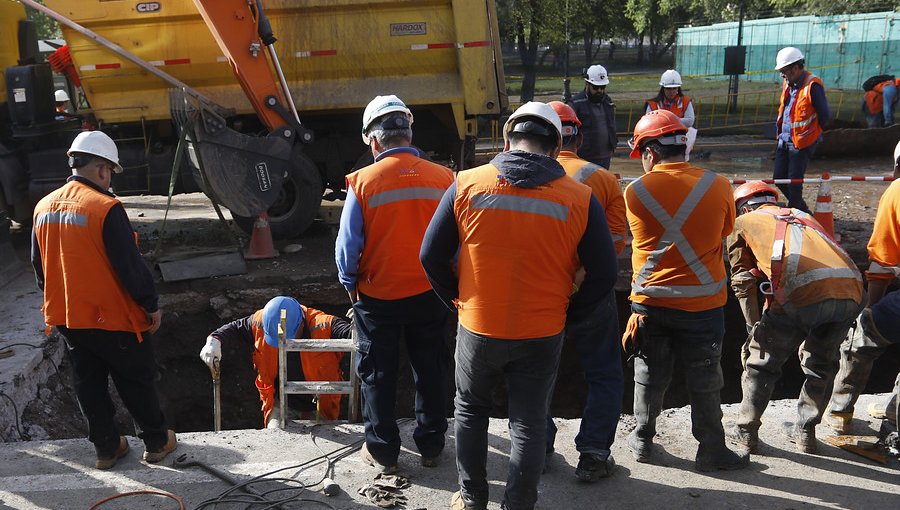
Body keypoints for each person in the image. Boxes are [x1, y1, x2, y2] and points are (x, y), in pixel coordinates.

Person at [420, 102, 617, 510]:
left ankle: (472, 497)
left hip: (478, 326)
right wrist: (572, 313)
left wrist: (457, 301)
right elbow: (603, 272)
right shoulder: (580, 197)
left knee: (471, 412)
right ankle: (519, 503)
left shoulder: (467, 183)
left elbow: (430, 255)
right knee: (528, 420)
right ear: (554, 146)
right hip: (542, 331)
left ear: (508, 140)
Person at [31, 130, 175, 470]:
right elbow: (130, 268)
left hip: (68, 318)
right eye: (109, 170)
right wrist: (150, 305)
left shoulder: (43, 207)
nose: (109, 177)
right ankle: (156, 442)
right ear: (101, 169)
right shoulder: (105, 207)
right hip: (112, 318)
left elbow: (40, 269)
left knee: (88, 382)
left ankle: (107, 448)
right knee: (135, 379)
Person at [621, 109, 747, 472]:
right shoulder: (720, 184)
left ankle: (642, 440)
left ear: (649, 152)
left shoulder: (635, 192)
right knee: (706, 378)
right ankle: (711, 449)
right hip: (703, 306)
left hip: (651, 305)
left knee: (649, 373)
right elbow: (725, 231)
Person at [335, 95, 453, 474]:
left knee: (378, 374)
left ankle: (384, 453)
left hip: (378, 296)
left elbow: (347, 248)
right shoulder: (444, 178)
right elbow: (458, 242)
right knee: (431, 370)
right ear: (408, 132)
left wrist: (349, 282)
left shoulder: (363, 182)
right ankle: (433, 446)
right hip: (432, 295)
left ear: (373, 141)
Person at [725, 181, 864, 454]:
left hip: (802, 294)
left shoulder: (743, 223)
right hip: (851, 292)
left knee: (761, 365)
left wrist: (754, 328)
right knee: (822, 364)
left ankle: (745, 431)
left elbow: (742, 281)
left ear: (741, 207)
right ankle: (805, 433)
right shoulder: (803, 216)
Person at [545, 100, 625, 482]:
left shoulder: (526, 176)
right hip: (590, 290)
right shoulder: (604, 179)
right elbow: (614, 242)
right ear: (578, 135)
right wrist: (581, 274)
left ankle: (538, 448)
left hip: (542, 292)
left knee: (534, 370)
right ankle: (594, 453)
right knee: (604, 372)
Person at [824, 141, 900, 434]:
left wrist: (870, 308)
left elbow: (882, 262)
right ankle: (894, 409)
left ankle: (839, 413)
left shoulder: (896, 191)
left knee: (862, 337)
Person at [198, 296, 350, 427]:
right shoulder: (262, 321)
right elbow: (234, 329)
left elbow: (351, 335)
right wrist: (214, 341)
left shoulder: (323, 324)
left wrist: (361, 325)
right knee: (275, 439)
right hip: (280, 403)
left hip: (320, 404)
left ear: (301, 324)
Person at [773, 46, 830, 213]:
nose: (781, 74)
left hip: (802, 143)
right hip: (784, 140)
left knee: (795, 183)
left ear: (795, 68)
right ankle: (804, 211)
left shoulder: (812, 85)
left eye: (784, 70)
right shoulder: (788, 83)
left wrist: (812, 135)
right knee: (779, 179)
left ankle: (797, 217)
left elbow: (825, 115)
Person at [569, 64, 617, 169]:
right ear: (587, 84)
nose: (599, 90)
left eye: (602, 87)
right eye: (595, 87)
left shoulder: (607, 101)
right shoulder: (575, 104)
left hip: (605, 157)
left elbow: (611, 125)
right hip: (584, 158)